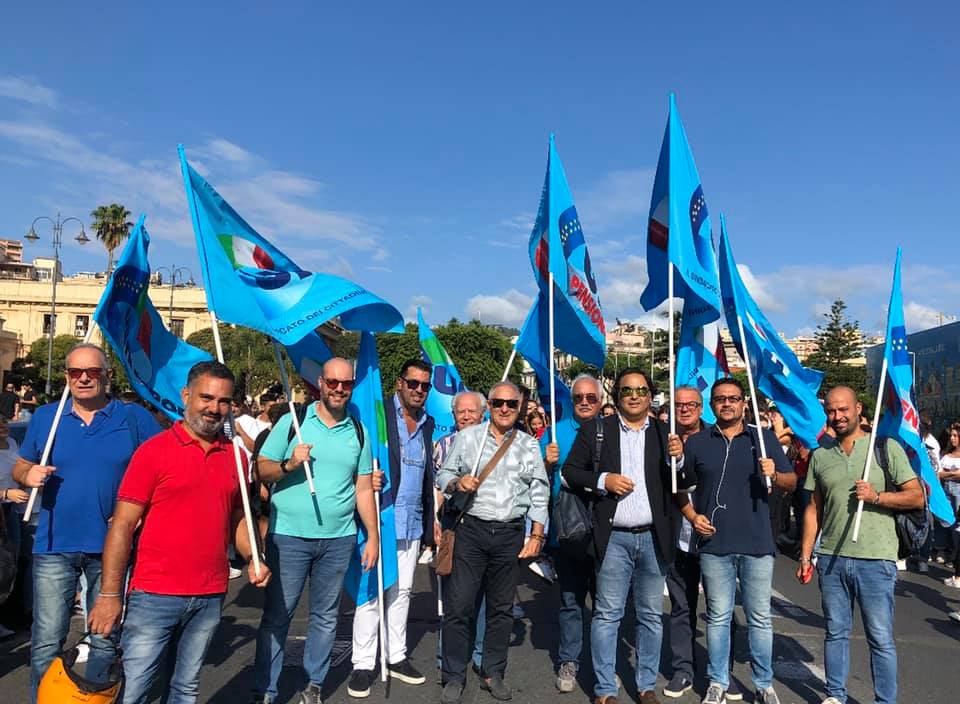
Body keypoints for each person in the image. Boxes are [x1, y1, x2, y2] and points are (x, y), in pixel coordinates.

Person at [87, 361, 271, 704]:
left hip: (210, 594)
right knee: (135, 692)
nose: (214, 408)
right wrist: (110, 596)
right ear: (186, 395)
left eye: (223, 401)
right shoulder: (153, 452)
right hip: (154, 594)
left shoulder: (235, 457)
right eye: (206, 398)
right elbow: (122, 525)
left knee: (185, 690)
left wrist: (253, 556)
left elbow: (235, 519)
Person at [11, 343, 162, 702]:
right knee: (46, 641)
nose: (82, 378)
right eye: (74, 372)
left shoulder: (132, 418)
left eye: (92, 372)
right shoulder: (47, 417)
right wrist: (26, 473)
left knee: (105, 639)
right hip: (53, 544)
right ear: (66, 377)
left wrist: (142, 510)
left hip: (112, 546)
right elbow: (21, 465)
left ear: (107, 376)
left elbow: (160, 469)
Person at [250, 357, 379, 704]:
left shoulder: (359, 430)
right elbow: (262, 469)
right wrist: (290, 464)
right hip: (289, 536)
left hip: (338, 538)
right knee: (279, 615)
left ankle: (313, 685)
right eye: (333, 382)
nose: (339, 389)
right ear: (320, 383)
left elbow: (363, 487)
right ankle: (266, 689)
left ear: (352, 386)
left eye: (346, 384)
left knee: (325, 617)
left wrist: (373, 537)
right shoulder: (294, 421)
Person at [562, 368, 686, 704]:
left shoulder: (665, 432)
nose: (634, 395)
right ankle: (605, 689)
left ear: (650, 395)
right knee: (607, 614)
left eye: (641, 390)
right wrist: (604, 481)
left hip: (652, 537)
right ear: (617, 395)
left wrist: (679, 457)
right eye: (627, 389)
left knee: (649, 615)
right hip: (613, 537)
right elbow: (570, 472)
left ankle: (646, 685)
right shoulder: (596, 430)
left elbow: (683, 483)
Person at [797, 385, 924, 704]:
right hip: (831, 559)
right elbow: (814, 507)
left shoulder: (885, 448)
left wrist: (877, 497)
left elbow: (916, 496)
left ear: (858, 410)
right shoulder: (821, 454)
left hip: (876, 559)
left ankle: (885, 700)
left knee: (880, 638)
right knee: (835, 632)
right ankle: (835, 695)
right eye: (831, 410)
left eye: (843, 409)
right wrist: (806, 554)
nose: (837, 416)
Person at [679, 378, 795, 704]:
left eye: (733, 398)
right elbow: (678, 487)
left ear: (744, 403)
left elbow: (791, 481)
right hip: (715, 545)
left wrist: (776, 471)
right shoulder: (698, 443)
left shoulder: (764, 438)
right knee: (718, 616)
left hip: (758, 544)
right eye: (719, 399)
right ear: (712, 404)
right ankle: (717, 681)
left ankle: (763, 684)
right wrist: (692, 516)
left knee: (759, 618)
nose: (726, 404)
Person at [436, 381, 549, 704]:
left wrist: (537, 535)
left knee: (500, 610)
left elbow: (539, 491)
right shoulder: (469, 437)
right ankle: (454, 675)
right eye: (498, 403)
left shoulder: (528, 445)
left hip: (510, 533)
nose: (504, 409)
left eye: (511, 404)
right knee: (459, 606)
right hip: (471, 530)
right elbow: (443, 475)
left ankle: (492, 671)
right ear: (489, 405)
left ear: (519, 407)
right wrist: (458, 482)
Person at [348, 359, 436, 697]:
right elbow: (357, 458)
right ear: (399, 383)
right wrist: (367, 476)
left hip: (412, 524)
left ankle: (396, 656)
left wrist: (431, 526)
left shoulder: (429, 424)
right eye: (413, 383)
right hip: (379, 520)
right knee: (371, 594)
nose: (419, 390)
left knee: (401, 594)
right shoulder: (378, 415)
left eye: (425, 385)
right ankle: (363, 663)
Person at [663, 386, 741, 701]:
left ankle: (721, 673)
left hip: (715, 540)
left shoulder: (716, 438)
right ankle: (683, 670)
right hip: (678, 538)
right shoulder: (662, 439)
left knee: (721, 610)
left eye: (691, 404)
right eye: (679, 405)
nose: (685, 410)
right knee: (682, 608)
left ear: (701, 407)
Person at [541, 373, 603, 693]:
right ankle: (569, 660)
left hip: (607, 531)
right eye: (578, 397)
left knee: (606, 606)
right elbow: (534, 481)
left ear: (601, 400)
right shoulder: (554, 434)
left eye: (591, 397)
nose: (584, 402)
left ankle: (604, 667)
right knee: (571, 601)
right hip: (567, 529)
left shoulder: (613, 432)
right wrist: (544, 460)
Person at [431, 391, 486, 677]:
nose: (465, 416)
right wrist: (435, 521)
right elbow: (436, 487)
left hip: (487, 528)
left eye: (471, 411)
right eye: (460, 412)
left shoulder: (494, 443)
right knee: (453, 596)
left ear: (482, 414)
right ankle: (447, 655)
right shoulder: (443, 444)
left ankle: (480, 654)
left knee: (483, 596)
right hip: (454, 525)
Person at [939, 423, 960, 588]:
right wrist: (951, 474)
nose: (952, 438)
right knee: (947, 521)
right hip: (946, 489)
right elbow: (939, 472)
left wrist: (949, 474)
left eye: (955, 435)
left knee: (957, 527)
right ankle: (950, 554)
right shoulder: (947, 454)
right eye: (951, 435)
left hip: (958, 490)